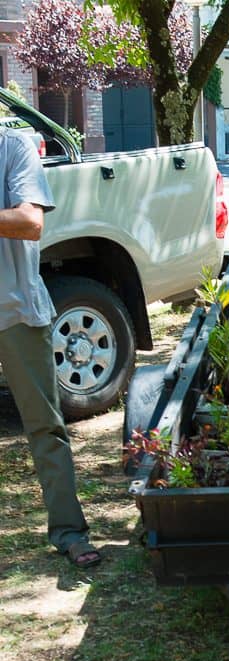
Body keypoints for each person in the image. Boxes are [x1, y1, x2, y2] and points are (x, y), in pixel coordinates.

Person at [0, 127, 100, 568]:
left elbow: (30, 222)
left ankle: (69, 532)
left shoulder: (12, 146)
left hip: (15, 309)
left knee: (44, 427)